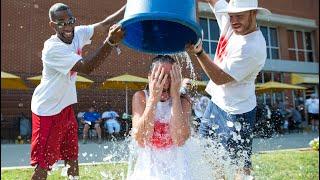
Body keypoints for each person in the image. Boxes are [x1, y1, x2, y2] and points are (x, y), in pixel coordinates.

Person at [30, 3, 125, 179]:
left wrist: (132, 6)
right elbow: (87, 67)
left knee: (72, 158)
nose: (67, 26)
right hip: (47, 111)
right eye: (61, 23)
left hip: (65, 107)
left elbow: (104, 25)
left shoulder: (78, 33)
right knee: (43, 167)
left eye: (70, 21)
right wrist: (111, 42)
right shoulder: (52, 49)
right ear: (53, 25)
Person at [186, 0, 271, 178]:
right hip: (216, 103)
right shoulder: (232, 19)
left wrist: (200, 53)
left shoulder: (253, 47)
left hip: (238, 110)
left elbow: (219, 78)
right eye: (231, 16)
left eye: (239, 16)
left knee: (239, 163)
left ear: (253, 14)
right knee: (208, 150)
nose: (233, 21)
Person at [127, 55, 192, 179]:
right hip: (146, 172)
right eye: (160, 76)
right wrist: (153, 99)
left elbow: (179, 140)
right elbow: (141, 139)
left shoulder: (183, 101)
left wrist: (175, 96)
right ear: (150, 78)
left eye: (170, 77)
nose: (165, 82)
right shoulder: (140, 97)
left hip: (178, 173)